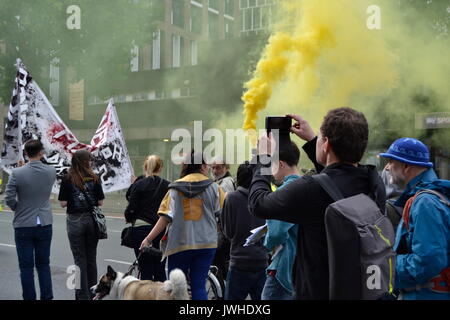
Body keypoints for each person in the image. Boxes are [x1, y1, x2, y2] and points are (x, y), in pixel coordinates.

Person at [248, 107, 387, 300]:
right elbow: (335, 179)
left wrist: (263, 158)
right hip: (359, 289)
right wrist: (314, 140)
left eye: (322, 138)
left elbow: (258, 204)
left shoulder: (310, 189)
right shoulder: (373, 182)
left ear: (327, 145)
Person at [140, 151, 225, 300]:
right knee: (199, 286)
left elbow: (165, 218)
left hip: (179, 245)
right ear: (203, 166)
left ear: (185, 165)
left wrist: (148, 238)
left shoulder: (174, 189)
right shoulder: (215, 188)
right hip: (206, 244)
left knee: (175, 288)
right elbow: (223, 215)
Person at [380, 137, 450, 300]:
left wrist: (386, 267)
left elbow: (426, 261)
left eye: (390, 161)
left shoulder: (424, 203)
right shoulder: (435, 195)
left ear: (406, 166)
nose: (387, 168)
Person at [5, 140, 56, 300]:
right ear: (41, 152)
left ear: (26, 153)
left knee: (26, 267)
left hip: (23, 224)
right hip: (45, 222)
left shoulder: (17, 173)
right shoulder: (51, 171)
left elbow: (9, 198)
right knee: (44, 265)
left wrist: (17, 208)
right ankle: (47, 297)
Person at [58, 149, 105, 300]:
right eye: (89, 159)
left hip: (75, 220)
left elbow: (63, 203)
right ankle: (93, 293)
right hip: (92, 220)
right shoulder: (95, 178)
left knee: (79, 260)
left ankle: (81, 295)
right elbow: (100, 202)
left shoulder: (67, 178)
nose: (91, 162)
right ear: (86, 161)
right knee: (91, 258)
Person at [220, 162, 268, 300]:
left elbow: (228, 232)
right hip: (261, 260)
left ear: (239, 179)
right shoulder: (264, 198)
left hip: (239, 261)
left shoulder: (231, 198)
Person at [261, 141, 300, 300]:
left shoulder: (284, 191)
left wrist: (267, 242)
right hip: (302, 266)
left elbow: (276, 233)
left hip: (284, 266)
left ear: (281, 164)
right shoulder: (309, 185)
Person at [124, 155, 170, 281]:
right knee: (160, 269)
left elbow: (131, 208)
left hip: (141, 228)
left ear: (145, 167)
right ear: (160, 168)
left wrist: (129, 217)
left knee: (145, 270)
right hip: (161, 229)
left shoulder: (138, 185)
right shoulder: (168, 186)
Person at [210, 156, 235, 282]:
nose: (214, 171)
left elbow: (225, 209)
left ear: (226, 167)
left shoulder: (226, 183)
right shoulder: (219, 182)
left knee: (218, 265)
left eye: (218, 167)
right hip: (222, 231)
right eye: (213, 168)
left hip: (222, 233)